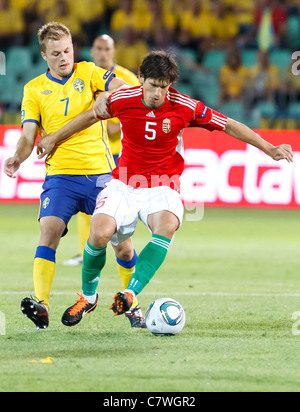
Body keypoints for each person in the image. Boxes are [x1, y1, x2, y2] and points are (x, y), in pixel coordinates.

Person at [37, 51, 293, 325]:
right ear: (141, 79)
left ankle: (130, 293)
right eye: (152, 86)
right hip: (123, 182)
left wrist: (269, 148)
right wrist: (54, 138)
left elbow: (228, 125)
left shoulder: (185, 106)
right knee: (99, 235)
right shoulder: (123, 99)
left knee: (167, 225)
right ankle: (88, 298)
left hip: (162, 186)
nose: (158, 93)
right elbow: (90, 116)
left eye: (164, 87)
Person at [3, 22, 143, 330]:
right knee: (49, 232)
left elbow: (121, 85)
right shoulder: (34, 89)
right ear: (44, 55)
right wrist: (17, 157)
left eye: (68, 50)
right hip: (61, 176)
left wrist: (110, 92)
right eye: (56, 53)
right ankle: (42, 305)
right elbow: (28, 135)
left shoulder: (89, 72)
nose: (65, 57)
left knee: (123, 245)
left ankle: (132, 303)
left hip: (100, 175)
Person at [62, 34, 145, 328]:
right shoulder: (81, 76)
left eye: (107, 48)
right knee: (92, 220)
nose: (102, 52)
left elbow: (140, 111)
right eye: (98, 48)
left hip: (121, 160)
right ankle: (89, 292)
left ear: (113, 51)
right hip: (89, 160)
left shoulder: (122, 79)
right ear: (92, 51)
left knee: (123, 242)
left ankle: (131, 299)